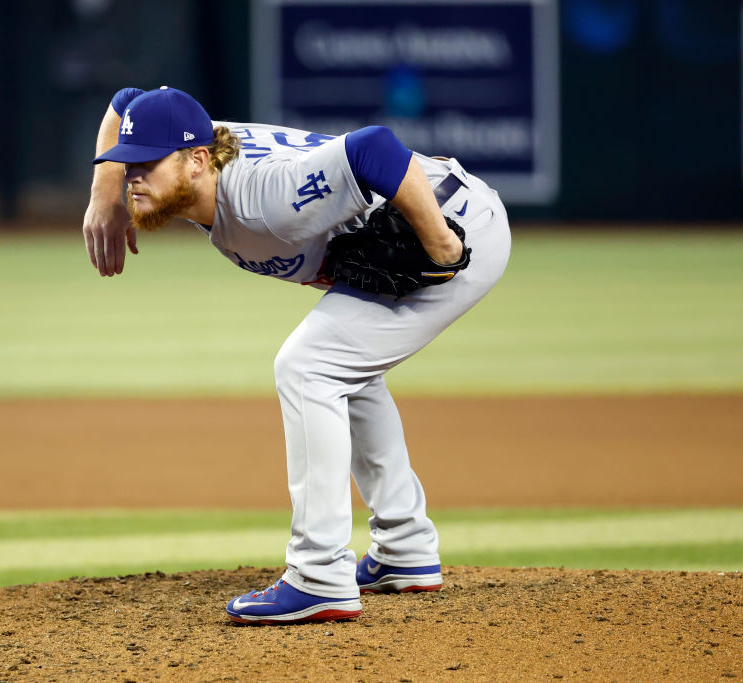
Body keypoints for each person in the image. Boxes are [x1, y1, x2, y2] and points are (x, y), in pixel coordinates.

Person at [82, 86, 511, 625]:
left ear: (196, 162)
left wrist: (443, 245)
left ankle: (319, 575)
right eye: (126, 165)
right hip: (434, 206)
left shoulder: (265, 199)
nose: (132, 176)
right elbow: (127, 101)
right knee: (344, 367)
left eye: (144, 164)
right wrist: (104, 197)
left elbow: (374, 148)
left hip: (451, 223)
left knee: (309, 366)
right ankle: (405, 548)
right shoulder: (190, 144)